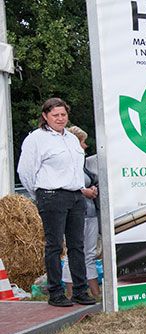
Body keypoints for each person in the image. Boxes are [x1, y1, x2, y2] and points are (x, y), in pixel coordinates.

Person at [17, 98, 96, 307]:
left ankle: (80, 290)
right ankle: (56, 292)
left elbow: (74, 169)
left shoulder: (71, 139)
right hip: (51, 195)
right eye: (55, 115)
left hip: (76, 195)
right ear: (45, 116)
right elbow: (25, 171)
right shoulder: (36, 139)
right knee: (54, 246)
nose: (60, 119)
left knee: (77, 245)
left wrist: (79, 190)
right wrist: (39, 193)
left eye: (63, 115)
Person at [60, 126, 101, 298]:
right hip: (76, 214)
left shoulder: (83, 163)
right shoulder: (65, 163)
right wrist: (84, 191)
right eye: (83, 142)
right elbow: (64, 183)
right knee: (74, 252)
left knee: (89, 254)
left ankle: (95, 292)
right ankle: (70, 292)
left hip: (91, 213)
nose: (85, 146)